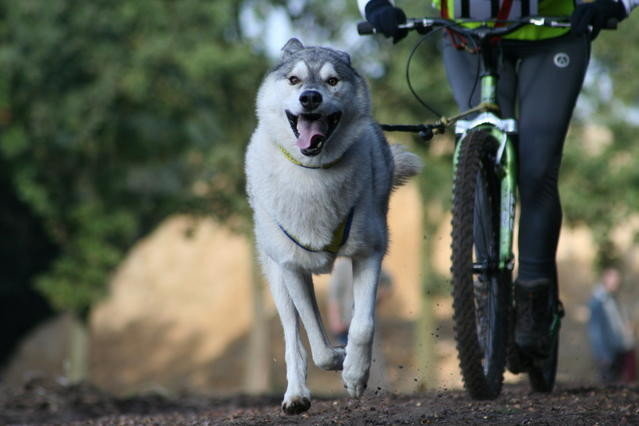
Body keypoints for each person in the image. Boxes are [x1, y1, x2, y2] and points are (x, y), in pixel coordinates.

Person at [357, 0, 635, 358]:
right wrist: (375, 4)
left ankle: (535, 298)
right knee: (482, 146)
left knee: (536, 171)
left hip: (553, 34)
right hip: (467, 38)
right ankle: (487, 296)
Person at [327, 257, 392, 389]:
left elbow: (388, 286)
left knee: (372, 357)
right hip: (346, 323)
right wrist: (335, 321)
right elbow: (334, 297)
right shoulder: (342, 267)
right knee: (348, 359)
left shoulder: (371, 262)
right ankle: (353, 392)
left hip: (367, 320)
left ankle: (378, 391)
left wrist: (375, 297)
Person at [587, 266, 636, 383]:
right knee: (608, 385)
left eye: (618, 280)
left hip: (619, 349)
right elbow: (595, 331)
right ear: (605, 280)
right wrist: (603, 354)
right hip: (608, 353)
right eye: (614, 279)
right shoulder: (597, 302)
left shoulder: (612, 299)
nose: (617, 283)